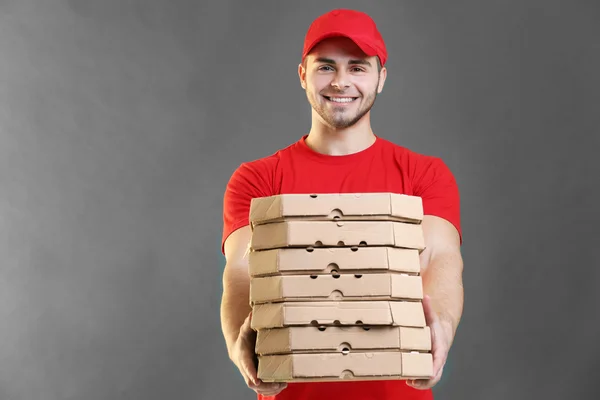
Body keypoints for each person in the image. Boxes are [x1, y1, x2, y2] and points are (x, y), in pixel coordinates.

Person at [219, 8, 464, 400]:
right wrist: (237, 341)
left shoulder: (424, 175)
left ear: (381, 78)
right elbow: (242, 269)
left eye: (357, 68)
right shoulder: (257, 179)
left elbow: (440, 258)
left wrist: (445, 325)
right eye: (326, 67)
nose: (341, 81)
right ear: (303, 74)